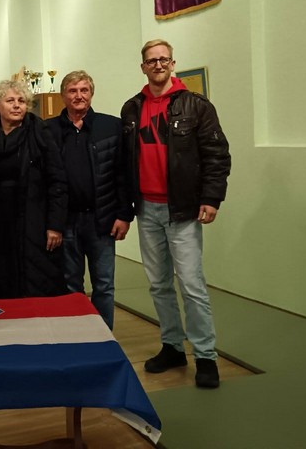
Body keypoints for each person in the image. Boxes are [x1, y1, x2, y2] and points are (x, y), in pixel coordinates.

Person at [121, 39, 231, 389]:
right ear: (143, 67)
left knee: (191, 285)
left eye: (163, 59)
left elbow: (217, 154)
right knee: (159, 285)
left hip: (182, 210)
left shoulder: (196, 106)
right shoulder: (132, 108)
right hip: (147, 210)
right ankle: (172, 346)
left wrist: (211, 198)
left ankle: (205, 356)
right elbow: (125, 161)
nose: (158, 65)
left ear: (172, 63)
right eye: (151, 60)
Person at [46, 71, 132, 330]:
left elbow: (123, 173)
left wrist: (124, 215)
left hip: (102, 220)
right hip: (66, 222)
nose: (79, 96)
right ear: (63, 95)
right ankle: (77, 336)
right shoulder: (48, 129)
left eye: (84, 90)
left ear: (91, 93)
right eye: (72, 91)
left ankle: (104, 338)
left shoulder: (111, 126)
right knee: (70, 284)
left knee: (104, 285)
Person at [0, 80, 67, 298]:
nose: (17, 105)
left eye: (22, 101)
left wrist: (55, 225)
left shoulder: (40, 132)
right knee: (0, 278)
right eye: (10, 100)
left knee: (34, 280)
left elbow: (57, 180)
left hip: (33, 218)